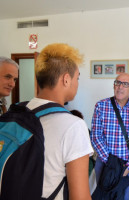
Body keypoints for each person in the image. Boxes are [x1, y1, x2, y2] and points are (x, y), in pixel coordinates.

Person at [26, 43, 93, 200]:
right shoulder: (73, 125)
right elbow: (80, 197)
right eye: (77, 78)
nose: (77, 83)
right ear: (66, 79)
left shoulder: (17, 113)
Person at [91, 73, 129, 200]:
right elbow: (96, 136)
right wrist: (110, 162)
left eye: (126, 84)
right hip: (105, 164)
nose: (120, 87)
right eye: (117, 83)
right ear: (114, 85)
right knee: (104, 197)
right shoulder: (101, 106)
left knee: (127, 197)